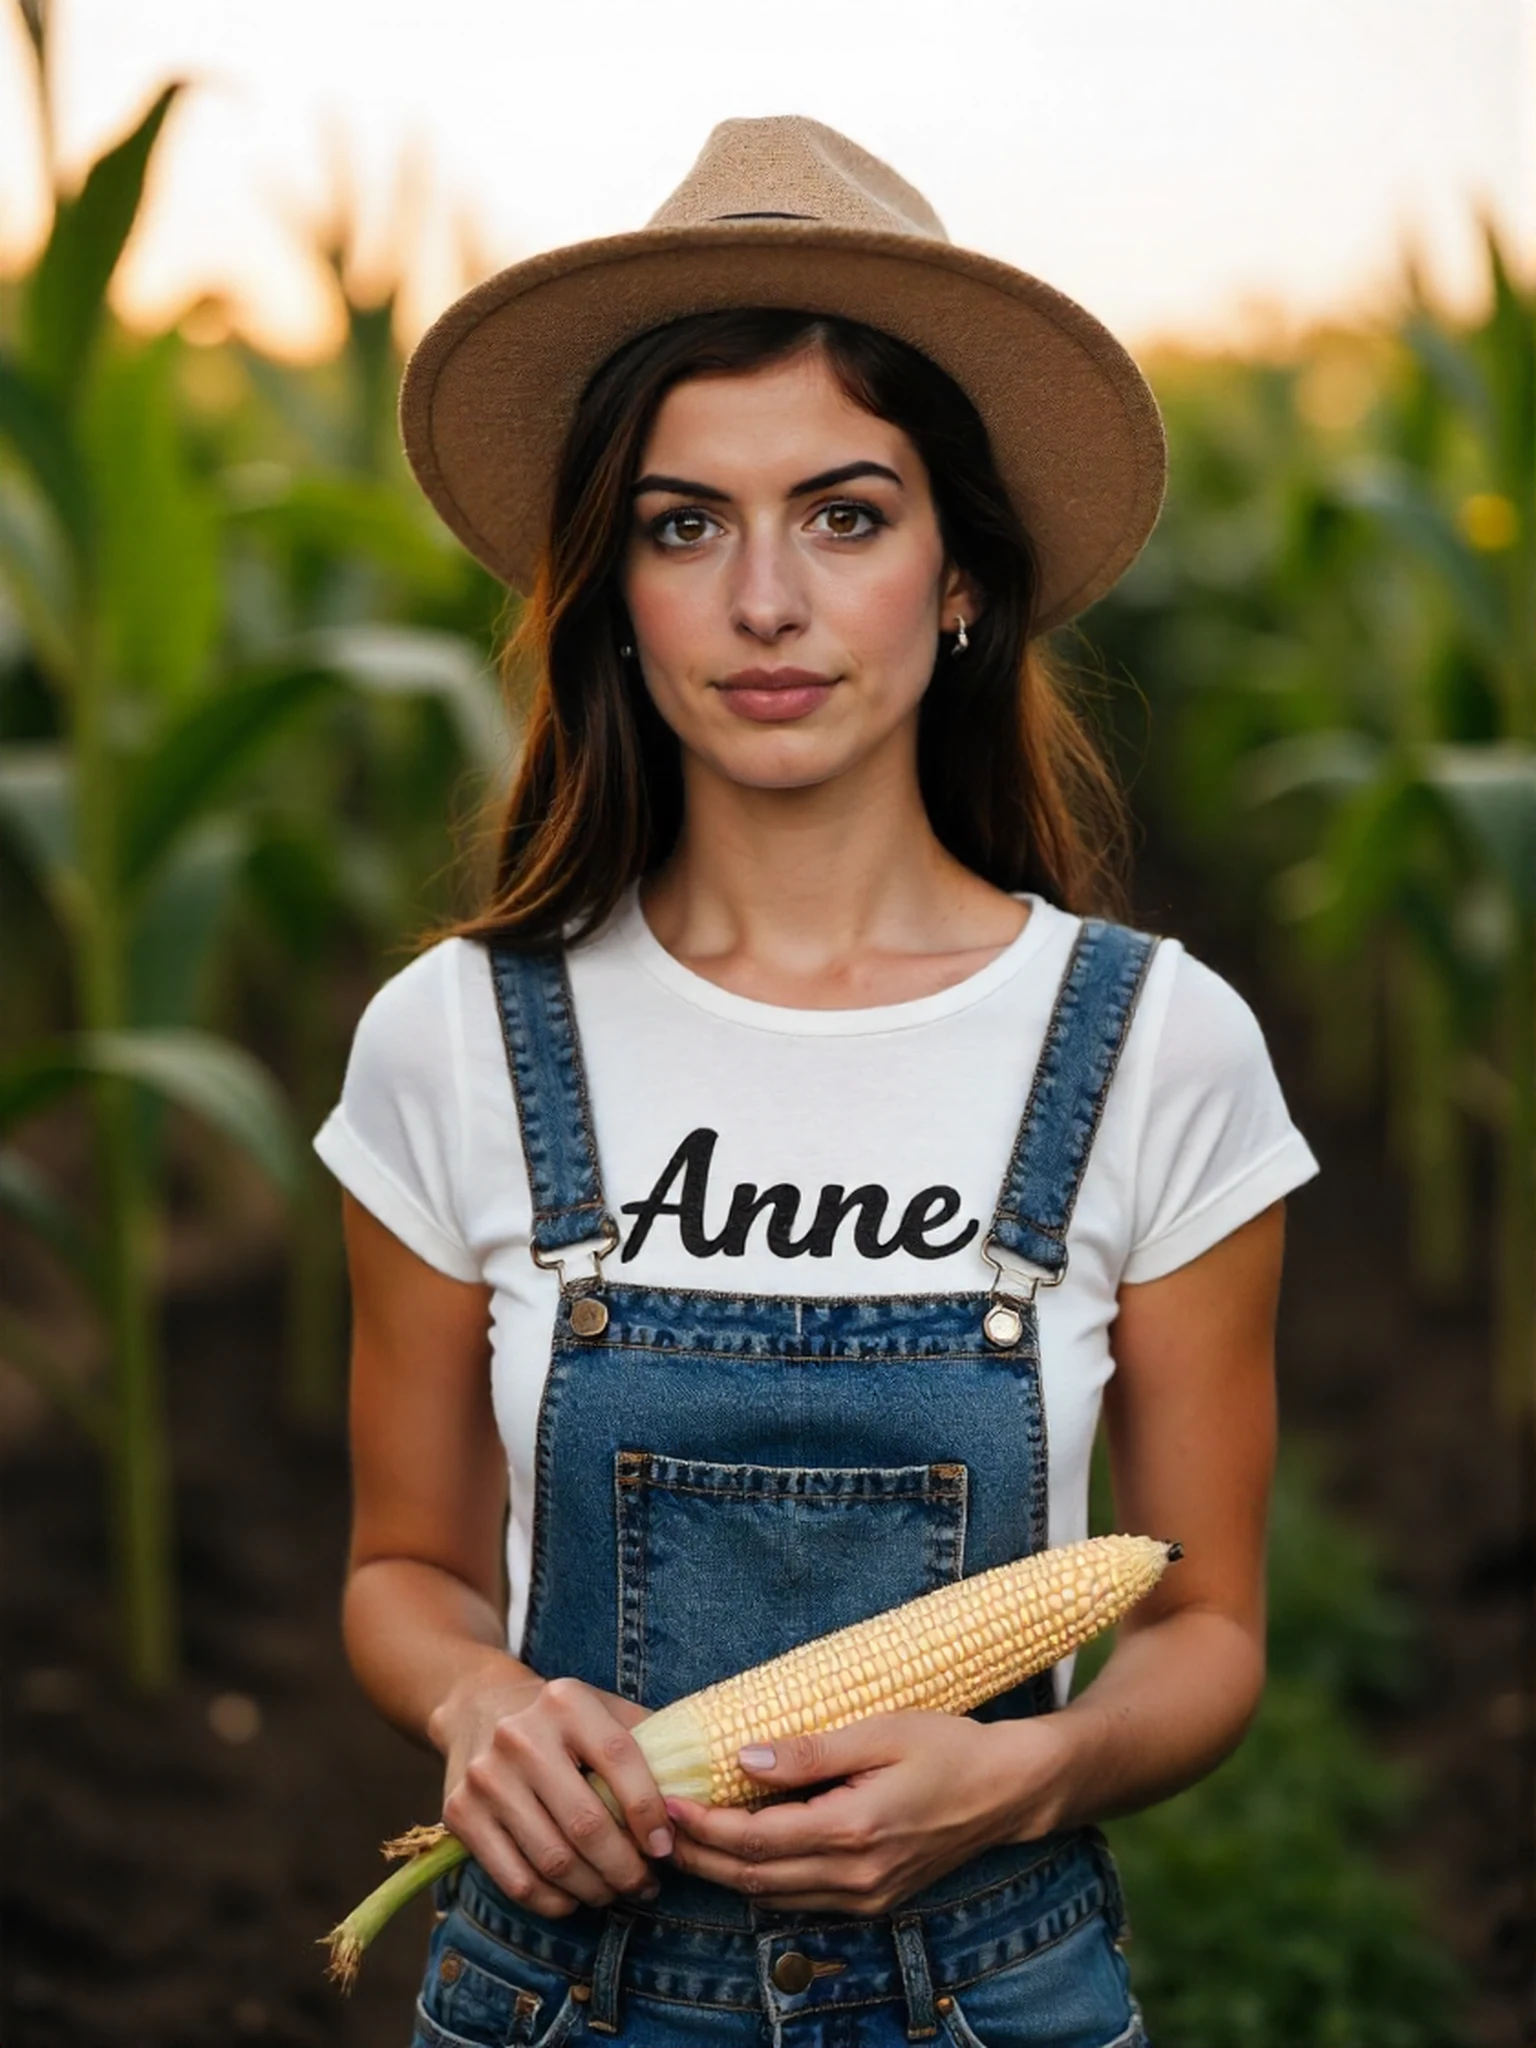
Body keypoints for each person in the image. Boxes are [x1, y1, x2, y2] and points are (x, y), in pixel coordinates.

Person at [316, 117, 1318, 2047]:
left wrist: (1027, 1776)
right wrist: (482, 1704)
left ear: (960, 581)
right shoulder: (452, 1037)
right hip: (554, 1995)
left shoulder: (1153, 1044)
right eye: (686, 524)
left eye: (846, 514)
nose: (766, 600)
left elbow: (1208, 1632)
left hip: (994, 1991)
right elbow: (403, 1567)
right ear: (612, 589)